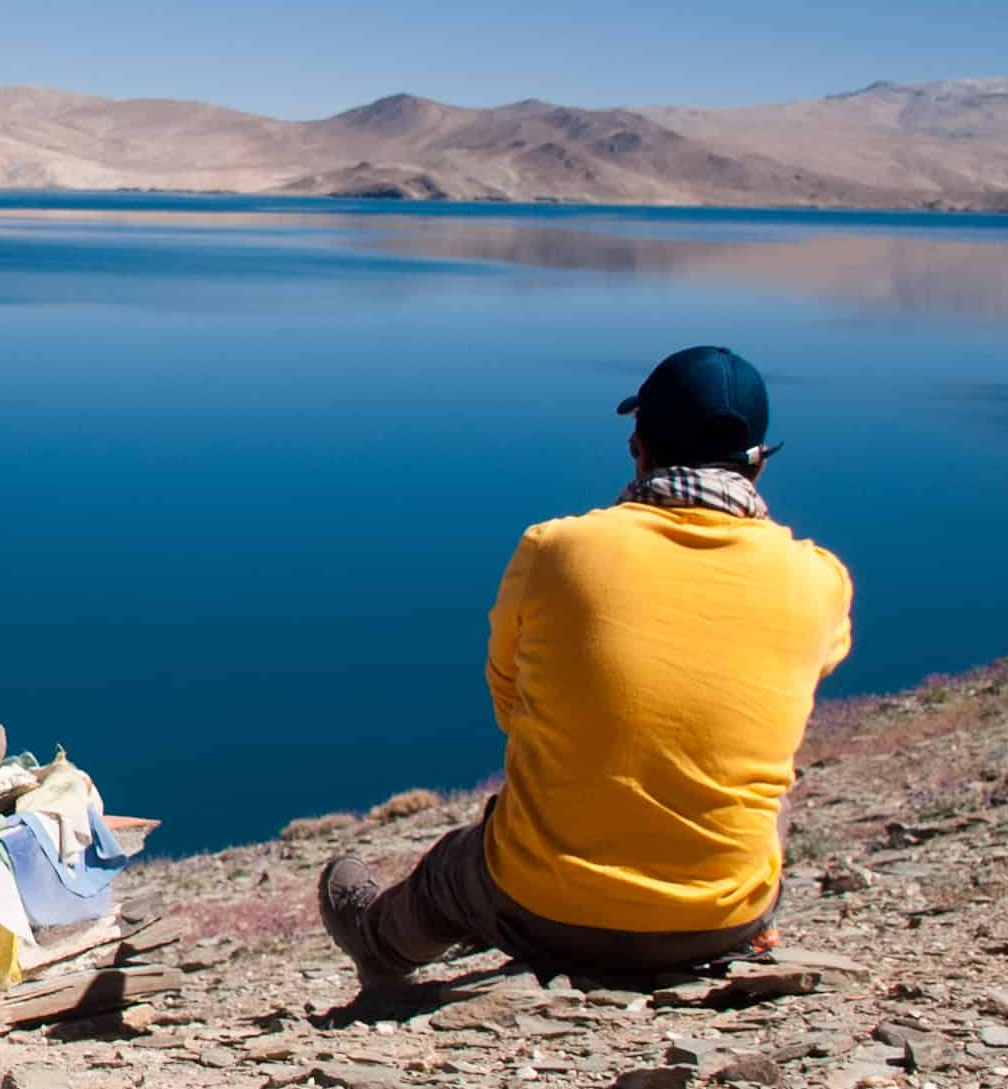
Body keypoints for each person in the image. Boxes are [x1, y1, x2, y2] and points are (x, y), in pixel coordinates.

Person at [317, 345, 853, 993]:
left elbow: (510, 705)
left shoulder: (556, 549)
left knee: (454, 867)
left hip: (540, 910)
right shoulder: (818, 580)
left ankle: (376, 943)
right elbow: (800, 681)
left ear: (637, 445)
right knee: (770, 765)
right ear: (758, 463)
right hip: (723, 917)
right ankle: (739, 924)